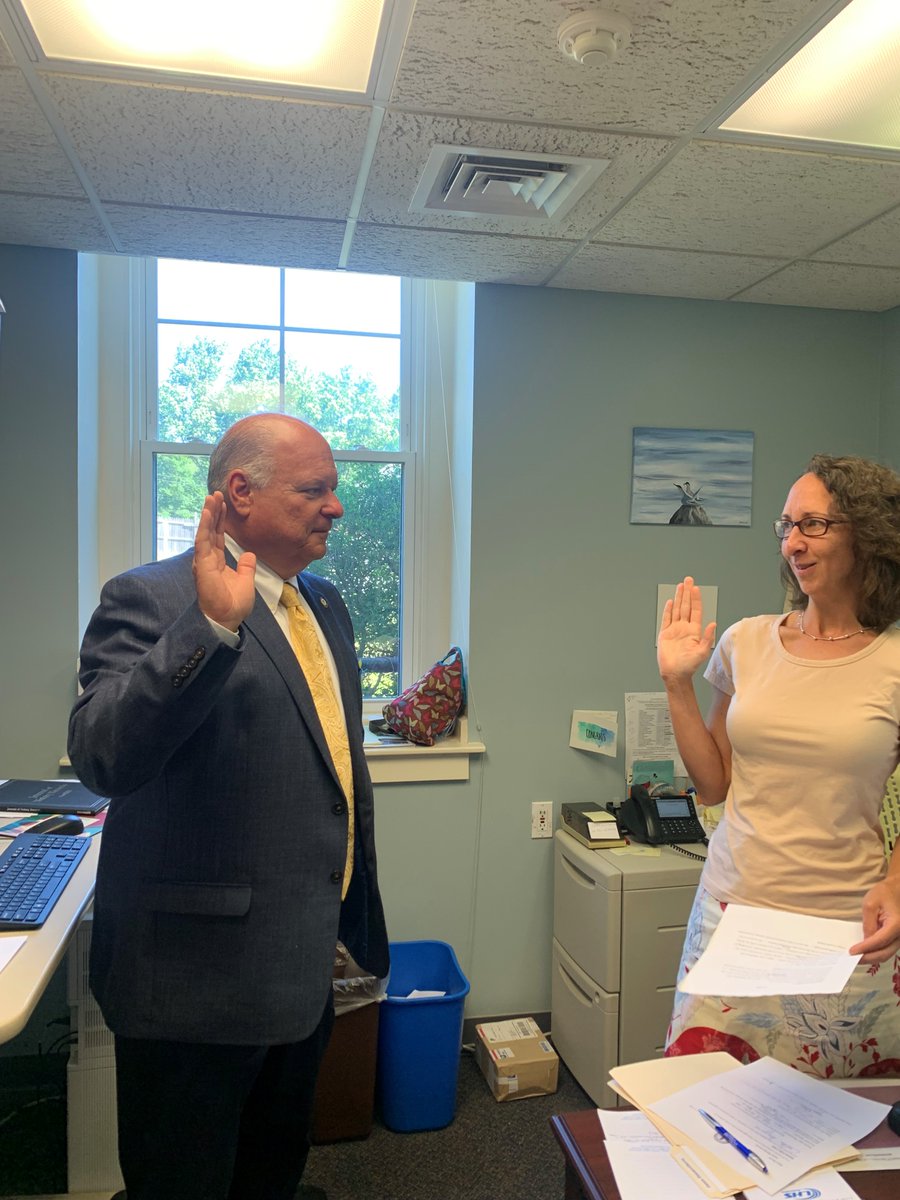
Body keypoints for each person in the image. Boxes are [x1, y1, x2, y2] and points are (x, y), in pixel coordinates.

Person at [68, 413, 389, 1200]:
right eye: (315, 490)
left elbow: (335, 773)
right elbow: (103, 755)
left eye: (335, 488)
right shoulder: (149, 598)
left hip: (303, 967)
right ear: (239, 493)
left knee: (271, 1174)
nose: (337, 506)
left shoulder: (328, 605)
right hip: (191, 987)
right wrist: (210, 628)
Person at [657, 453, 900, 1077]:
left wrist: (897, 883)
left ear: (867, 534)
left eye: (813, 524)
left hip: (847, 930)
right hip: (733, 913)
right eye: (786, 525)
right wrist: (676, 683)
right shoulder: (746, 642)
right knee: (704, 1106)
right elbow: (713, 785)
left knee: (844, 1128)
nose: (793, 541)